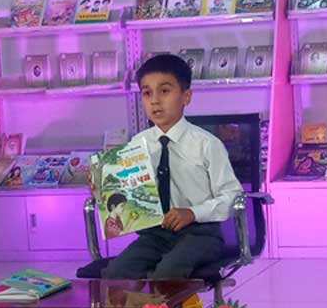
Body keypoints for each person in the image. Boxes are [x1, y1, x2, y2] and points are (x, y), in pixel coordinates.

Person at [102, 54, 242, 279]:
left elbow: (232, 195)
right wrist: (105, 189)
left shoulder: (207, 144)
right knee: (116, 273)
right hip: (155, 235)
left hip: (201, 235)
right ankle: (140, 305)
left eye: (164, 91)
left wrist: (192, 213)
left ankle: (169, 304)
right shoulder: (136, 145)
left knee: (167, 274)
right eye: (147, 93)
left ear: (186, 96)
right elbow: (129, 198)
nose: (155, 101)